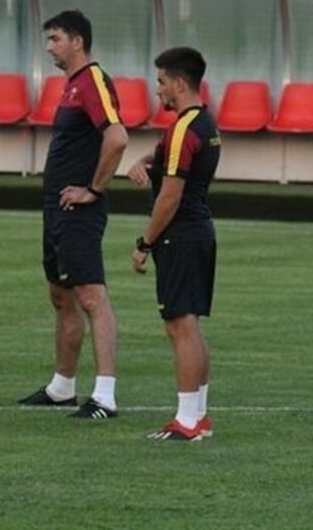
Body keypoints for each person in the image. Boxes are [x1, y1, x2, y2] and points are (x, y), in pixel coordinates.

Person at [20, 10, 128, 419]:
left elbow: (117, 138)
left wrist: (93, 190)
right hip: (56, 208)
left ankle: (105, 397)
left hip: (78, 210)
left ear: (77, 41)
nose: (49, 47)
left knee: (91, 296)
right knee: (60, 294)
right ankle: (62, 387)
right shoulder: (72, 85)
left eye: (55, 39)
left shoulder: (93, 80)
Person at [128, 47, 220, 442]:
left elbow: (170, 196)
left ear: (180, 83)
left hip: (179, 235)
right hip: (199, 232)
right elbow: (170, 159)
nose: (158, 90)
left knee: (180, 326)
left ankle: (186, 422)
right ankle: (198, 415)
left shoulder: (183, 129)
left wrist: (145, 242)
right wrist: (146, 161)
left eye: (162, 82)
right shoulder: (204, 123)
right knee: (190, 325)